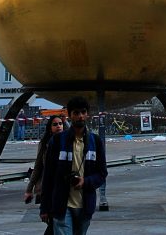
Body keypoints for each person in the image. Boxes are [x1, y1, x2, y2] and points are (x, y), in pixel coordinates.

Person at [40, 96, 108, 235]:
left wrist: (86, 181)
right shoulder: (58, 141)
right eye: (76, 113)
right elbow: (48, 175)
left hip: (85, 205)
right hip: (62, 205)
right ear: (69, 115)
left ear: (87, 114)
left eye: (83, 112)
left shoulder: (95, 141)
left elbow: (102, 173)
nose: (80, 116)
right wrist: (45, 207)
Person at [26, 114, 65, 235]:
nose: (58, 126)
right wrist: (29, 189)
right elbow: (38, 167)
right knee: (53, 223)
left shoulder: (68, 142)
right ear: (50, 128)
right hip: (47, 188)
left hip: (63, 189)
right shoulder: (45, 144)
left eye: (60, 124)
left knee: (57, 224)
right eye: (55, 124)